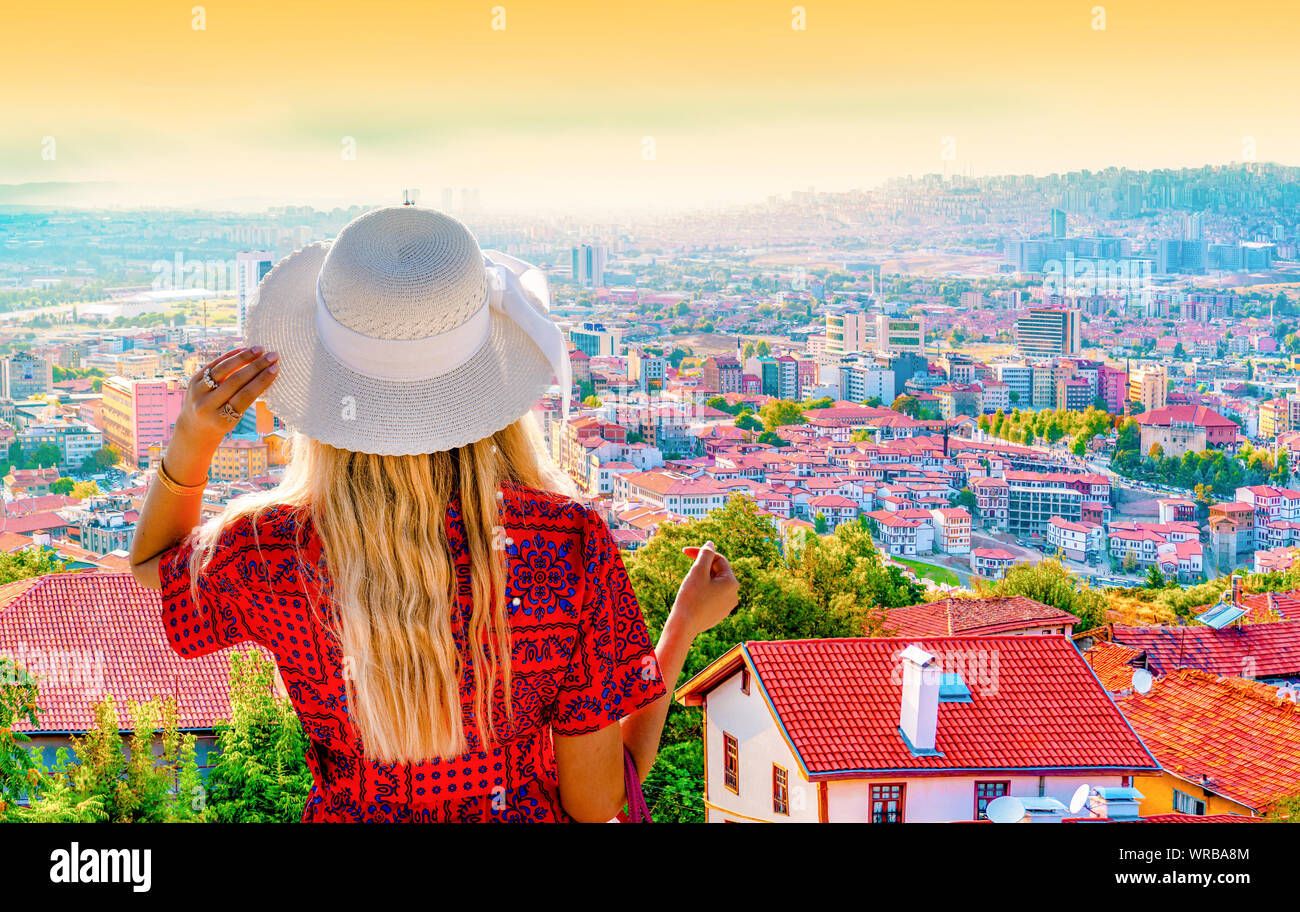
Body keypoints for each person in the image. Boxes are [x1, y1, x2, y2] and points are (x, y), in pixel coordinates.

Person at [129, 206, 738, 821]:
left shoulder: (268, 549)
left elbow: (155, 565)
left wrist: (193, 437)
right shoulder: (567, 546)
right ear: (486, 384)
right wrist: (680, 626)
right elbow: (596, 801)